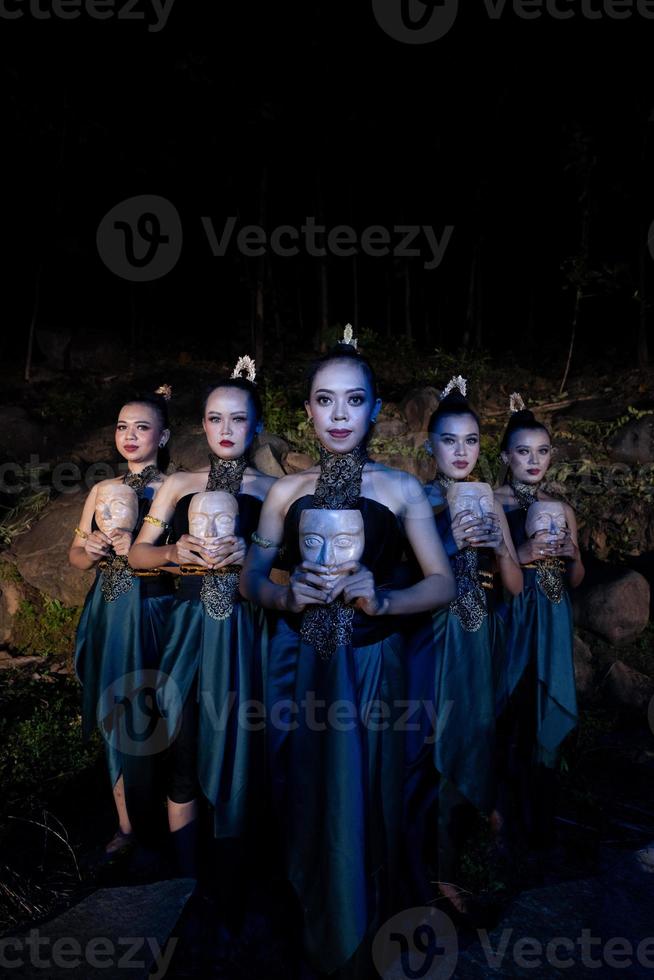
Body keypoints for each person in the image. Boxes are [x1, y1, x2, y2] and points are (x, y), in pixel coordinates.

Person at [240, 327, 455, 978]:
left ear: (375, 410)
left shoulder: (401, 490)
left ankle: (369, 935)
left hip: (372, 670)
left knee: (371, 797)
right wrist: (284, 598)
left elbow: (442, 583)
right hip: (302, 669)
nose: (338, 416)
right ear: (305, 410)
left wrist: (384, 600)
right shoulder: (284, 494)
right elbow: (251, 580)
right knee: (301, 795)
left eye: (353, 401)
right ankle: (308, 925)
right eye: (324, 401)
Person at [128, 356, 275, 884]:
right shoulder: (178, 483)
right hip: (188, 630)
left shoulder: (273, 491)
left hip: (247, 631)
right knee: (184, 750)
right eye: (215, 418)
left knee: (244, 745)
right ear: (202, 425)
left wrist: (254, 559)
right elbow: (137, 556)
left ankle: (238, 877)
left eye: (238, 419)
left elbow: (293, 570)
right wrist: (174, 553)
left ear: (257, 426)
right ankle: (187, 882)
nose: (226, 429)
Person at [404, 375, 522, 921]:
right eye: (448, 440)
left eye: (471, 441)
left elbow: (516, 587)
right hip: (432, 635)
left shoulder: (493, 502)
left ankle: (455, 860)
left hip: (478, 634)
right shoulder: (415, 499)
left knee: (475, 729)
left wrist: (501, 550)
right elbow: (407, 574)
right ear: (430, 446)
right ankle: (426, 869)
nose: (460, 451)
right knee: (429, 740)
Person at [70, 386, 174, 855]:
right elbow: (74, 556)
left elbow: (185, 562)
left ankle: (172, 819)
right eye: (122, 426)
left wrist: (142, 550)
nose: (129, 435)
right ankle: (127, 825)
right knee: (114, 708)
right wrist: (89, 551)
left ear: (164, 434)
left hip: (154, 608)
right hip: (110, 608)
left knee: (156, 706)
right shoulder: (100, 489)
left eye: (142, 426)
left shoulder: (176, 488)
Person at [493, 393, 583, 854]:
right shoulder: (493, 502)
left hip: (552, 614)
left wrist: (570, 557)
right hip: (514, 612)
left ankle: (540, 817)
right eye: (523, 451)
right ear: (507, 456)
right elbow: (481, 570)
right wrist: (520, 555)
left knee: (545, 700)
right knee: (512, 701)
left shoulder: (561, 507)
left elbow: (579, 576)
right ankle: (501, 813)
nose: (534, 460)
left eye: (542, 451)